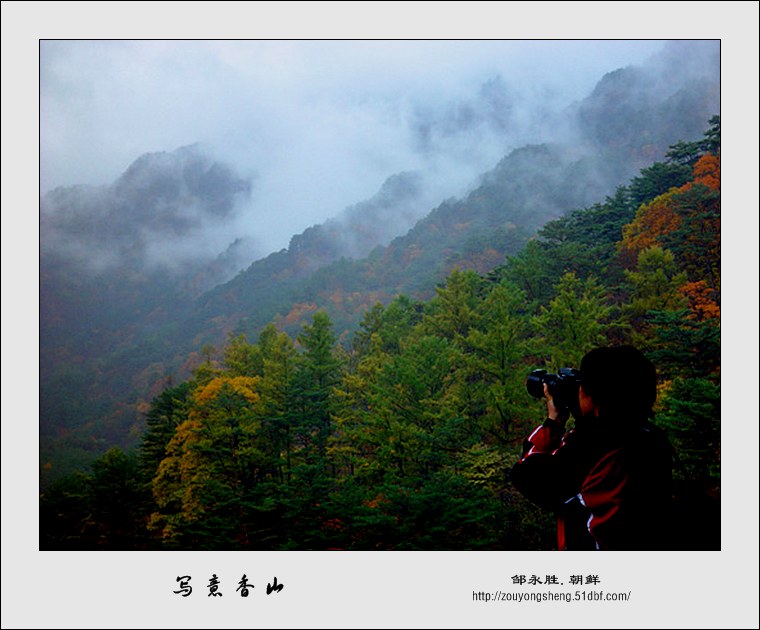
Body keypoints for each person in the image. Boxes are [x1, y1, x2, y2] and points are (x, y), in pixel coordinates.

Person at [510, 345, 674, 550]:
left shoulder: (595, 446)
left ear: (595, 400)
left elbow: (525, 474)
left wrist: (554, 422)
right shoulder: (652, 439)